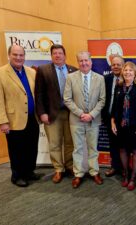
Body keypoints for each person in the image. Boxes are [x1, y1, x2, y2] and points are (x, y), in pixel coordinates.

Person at [0, 45, 40, 187]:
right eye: (15, 55)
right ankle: (17, 175)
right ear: (9, 55)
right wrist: (2, 122)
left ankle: (29, 171)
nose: (18, 58)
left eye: (21, 55)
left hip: (32, 118)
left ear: (25, 56)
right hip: (13, 120)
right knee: (17, 149)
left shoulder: (32, 72)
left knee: (32, 147)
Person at [35, 44, 77, 183]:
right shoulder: (43, 70)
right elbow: (39, 94)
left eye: (60, 53)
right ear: (51, 55)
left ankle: (69, 166)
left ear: (65, 55)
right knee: (54, 143)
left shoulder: (74, 70)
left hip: (71, 114)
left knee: (70, 143)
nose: (58, 55)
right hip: (52, 114)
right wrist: (42, 113)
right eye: (55, 53)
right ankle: (58, 169)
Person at [64, 51, 106, 188]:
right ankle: (78, 174)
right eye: (81, 61)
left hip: (93, 120)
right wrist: (81, 113)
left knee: (93, 148)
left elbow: (102, 100)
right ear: (78, 62)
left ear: (91, 61)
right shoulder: (70, 77)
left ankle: (94, 172)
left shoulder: (100, 78)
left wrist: (91, 114)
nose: (84, 63)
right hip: (76, 120)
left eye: (86, 60)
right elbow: (67, 99)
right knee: (78, 149)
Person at [111, 61, 136, 190]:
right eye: (126, 70)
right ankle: (126, 175)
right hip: (121, 125)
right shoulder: (119, 86)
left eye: (130, 70)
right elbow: (115, 106)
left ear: (135, 73)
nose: (127, 72)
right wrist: (112, 122)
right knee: (122, 149)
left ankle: (133, 178)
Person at [102, 55, 124, 177]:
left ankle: (125, 167)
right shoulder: (106, 79)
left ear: (123, 65)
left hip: (123, 119)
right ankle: (114, 166)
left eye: (118, 64)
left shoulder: (127, 78)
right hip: (109, 117)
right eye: (113, 64)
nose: (116, 67)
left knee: (124, 144)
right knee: (113, 144)